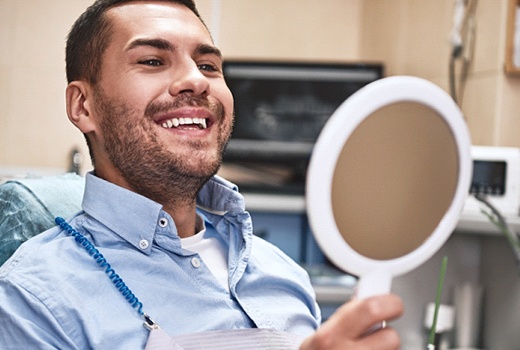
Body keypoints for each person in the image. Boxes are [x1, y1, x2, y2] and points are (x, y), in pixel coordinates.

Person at [0, 0, 403, 348]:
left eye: (208, 65)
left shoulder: (282, 273)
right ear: (83, 106)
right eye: (153, 61)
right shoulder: (33, 300)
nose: (195, 79)